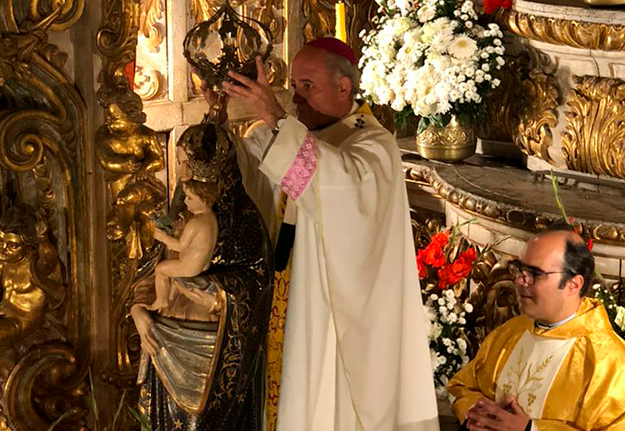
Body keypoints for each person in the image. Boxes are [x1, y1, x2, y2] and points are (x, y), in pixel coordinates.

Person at [222, 37, 439, 431]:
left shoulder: (374, 145)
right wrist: (218, 112)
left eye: (308, 86)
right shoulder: (302, 134)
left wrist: (274, 117)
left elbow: (337, 183)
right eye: (293, 87)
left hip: (331, 315)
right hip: (286, 300)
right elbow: (252, 179)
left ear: (344, 88)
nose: (296, 98)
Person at [130, 121, 273, 431]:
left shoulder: (243, 220)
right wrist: (139, 310)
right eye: (180, 162)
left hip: (212, 356)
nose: (181, 173)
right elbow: (153, 268)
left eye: (187, 162)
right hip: (163, 340)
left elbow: (258, 282)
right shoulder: (184, 211)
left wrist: (218, 296)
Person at [447, 230, 625, 431]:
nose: (520, 280)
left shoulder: (610, 363)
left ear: (574, 284)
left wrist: (531, 429)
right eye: (519, 269)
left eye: (535, 274)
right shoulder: (511, 332)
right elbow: (463, 387)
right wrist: (476, 416)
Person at [149, 179, 218, 311]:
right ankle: (170, 296)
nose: (185, 201)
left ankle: (161, 301)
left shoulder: (196, 222)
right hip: (203, 264)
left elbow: (180, 246)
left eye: (189, 198)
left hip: (190, 266)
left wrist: (164, 237)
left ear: (203, 200)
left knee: (160, 270)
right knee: (171, 264)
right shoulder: (211, 217)